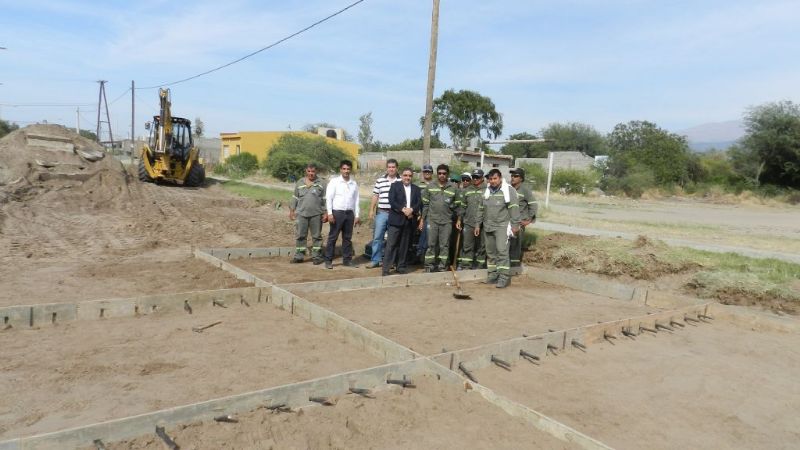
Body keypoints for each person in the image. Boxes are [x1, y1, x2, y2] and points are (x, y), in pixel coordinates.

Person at [480, 168, 520, 288]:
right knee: (491, 253)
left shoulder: (509, 191)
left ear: (500, 178)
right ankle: (493, 275)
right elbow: (480, 209)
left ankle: (504, 278)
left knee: (502, 252)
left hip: (502, 226)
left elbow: (514, 208)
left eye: (495, 178)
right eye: (490, 179)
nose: (492, 181)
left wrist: (515, 225)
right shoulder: (486, 191)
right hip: (488, 226)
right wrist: (478, 224)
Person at [382, 167, 422, 276]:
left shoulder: (416, 189)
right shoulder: (395, 186)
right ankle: (386, 268)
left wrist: (412, 210)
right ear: (402, 176)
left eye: (409, 176)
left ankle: (401, 266)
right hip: (396, 220)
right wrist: (403, 209)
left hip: (409, 221)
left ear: (412, 177)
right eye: (405, 175)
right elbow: (392, 201)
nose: (407, 178)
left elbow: (419, 203)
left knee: (405, 245)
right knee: (391, 244)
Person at [420, 164, 457, 272]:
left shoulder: (453, 188)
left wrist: (457, 217)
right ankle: (429, 266)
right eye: (440, 173)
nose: (442, 175)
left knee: (444, 245)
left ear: (447, 174)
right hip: (432, 220)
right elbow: (425, 205)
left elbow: (458, 205)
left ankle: (442, 266)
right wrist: (422, 219)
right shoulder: (430, 186)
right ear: (437, 174)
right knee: (431, 244)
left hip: (447, 221)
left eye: (444, 173)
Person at [324, 160, 360, 269]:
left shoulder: (353, 183)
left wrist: (357, 215)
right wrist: (330, 213)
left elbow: (356, 200)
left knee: (347, 238)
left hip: (349, 214)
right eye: (344, 169)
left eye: (348, 169)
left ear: (351, 170)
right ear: (340, 169)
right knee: (333, 237)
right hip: (337, 213)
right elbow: (329, 198)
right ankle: (328, 260)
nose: (346, 171)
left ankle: (347, 260)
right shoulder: (334, 182)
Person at [289, 163, 327, 264]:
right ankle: (299, 256)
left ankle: (316, 257)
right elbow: (295, 197)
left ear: (316, 172)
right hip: (301, 214)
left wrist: (326, 213)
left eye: (313, 171)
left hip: (316, 214)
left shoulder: (322, 183)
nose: (311, 173)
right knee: (300, 235)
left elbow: (325, 199)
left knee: (316, 236)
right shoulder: (299, 182)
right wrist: (292, 210)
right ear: (306, 171)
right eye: (309, 171)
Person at [367, 159, 400, 268]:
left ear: (397, 168)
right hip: (382, 213)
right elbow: (375, 195)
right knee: (377, 237)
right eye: (389, 167)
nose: (391, 169)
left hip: (395, 214)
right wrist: (371, 210)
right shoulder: (380, 180)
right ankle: (375, 260)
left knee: (392, 239)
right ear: (387, 168)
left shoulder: (401, 181)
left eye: (393, 167)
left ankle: (389, 261)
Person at [456, 168, 486, 270]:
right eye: (473, 177)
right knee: (467, 246)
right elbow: (463, 206)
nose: (475, 179)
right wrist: (459, 219)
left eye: (478, 177)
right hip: (468, 222)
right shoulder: (467, 190)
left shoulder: (487, 190)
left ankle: (480, 267)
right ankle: (466, 266)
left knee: (481, 247)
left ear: (482, 178)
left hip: (483, 224)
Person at [508, 168, 538, 270]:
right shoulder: (507, 188)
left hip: (519, 223)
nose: (512, 178)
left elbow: (533, 205)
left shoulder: (525, 190)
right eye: (512, 176)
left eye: (515, 176)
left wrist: (529, 220)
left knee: (515, 245)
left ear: (521, 178)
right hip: (507, 222)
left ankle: (514, 267)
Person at [414, 164, 434, 263]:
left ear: (432, 173)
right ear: (423, 173)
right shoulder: (418, 184)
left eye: (429, 171)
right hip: (419, 213)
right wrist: (418, 214)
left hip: (431, 214)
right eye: (425, 171)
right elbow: (415, 199)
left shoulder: (435, 184)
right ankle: (416, 254)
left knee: (427, 234)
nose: (427, 173)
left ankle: (422, 254)